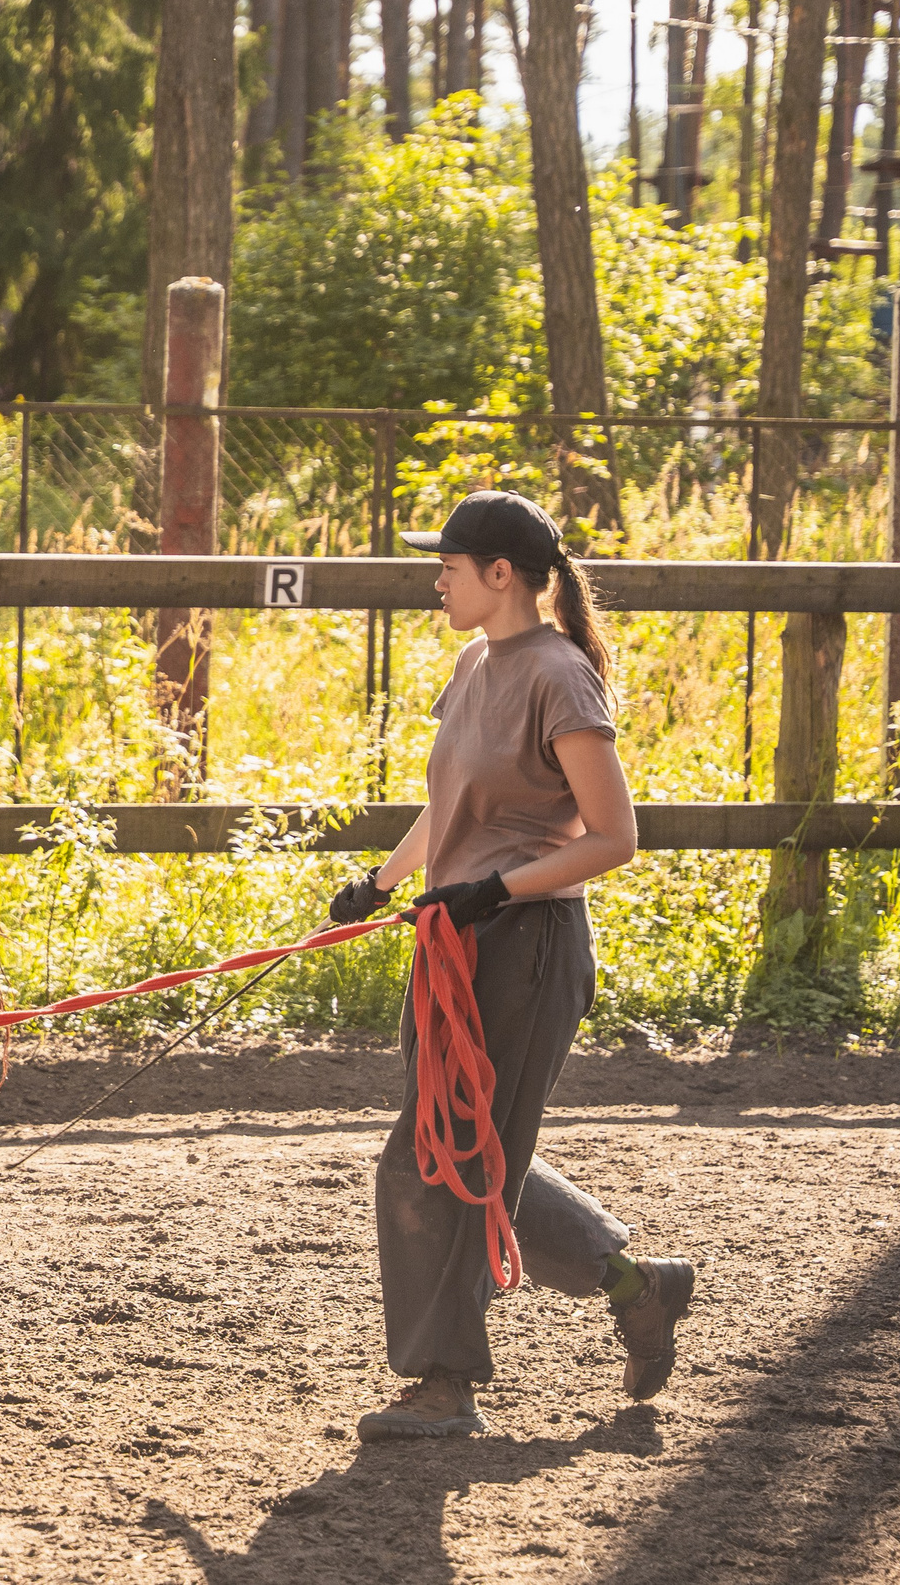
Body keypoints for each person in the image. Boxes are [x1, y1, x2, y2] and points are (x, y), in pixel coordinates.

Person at [330, 489, 695, 1440]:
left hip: (525, 950)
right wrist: (382, 879)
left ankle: (447, 1384)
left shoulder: (560, 676)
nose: (435, 581)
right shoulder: (475, 663)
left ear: (501, 575)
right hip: (458, 943)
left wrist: (499, 892)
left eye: (448, 566)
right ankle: (637, 1285)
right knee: (465, 1149)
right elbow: (456, 809)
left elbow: (615, 837)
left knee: (434, 1159)